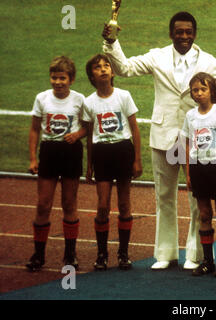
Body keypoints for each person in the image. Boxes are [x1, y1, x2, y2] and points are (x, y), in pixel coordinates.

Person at [101, 11, 216, 270]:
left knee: (198, 198)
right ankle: (165, 253)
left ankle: (196, 255)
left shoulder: (209, 61)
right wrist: (111, 42)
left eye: (188, 32)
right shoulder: (156, 56)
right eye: (179, 32)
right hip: (163, 134)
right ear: (171, 33)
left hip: (197, 141)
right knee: (164, 195)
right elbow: (124, 68)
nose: (184, 36)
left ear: (194, 33)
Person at [26, 56, 87, 272]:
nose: (58, 82)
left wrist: (78, 133)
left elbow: (88, 126)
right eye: (54, 78)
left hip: (70, 152)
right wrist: (33, 158)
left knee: (69, 204)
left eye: (62, 78)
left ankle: (70, 255)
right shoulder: (42, 98)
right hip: (49, 152)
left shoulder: (80, 99)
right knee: (43, 204)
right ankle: (38, 254)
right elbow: (35, 128)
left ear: (71, 79)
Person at [83, 54, 142, 271]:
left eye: (106, 65)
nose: (103, 69)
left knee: (125, 204)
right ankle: (102, 254)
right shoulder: (88, 102)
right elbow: (89, 135)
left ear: (113, 72)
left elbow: (134, 129)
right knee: (102, 206)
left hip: (123, 150)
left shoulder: (124, 96)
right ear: (92, 75)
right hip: (102, 153)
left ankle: (123, 253)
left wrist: (137, 159)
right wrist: (89, 165)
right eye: (98, 67)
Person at [181, 72, 216, 277]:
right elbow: (187, 144)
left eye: (203, 89)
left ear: (211, 91)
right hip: (198, 169)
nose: (199, 93)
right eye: (195, 90)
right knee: (204, 214)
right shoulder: (190, 115)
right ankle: (208, 261)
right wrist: (188, 173)